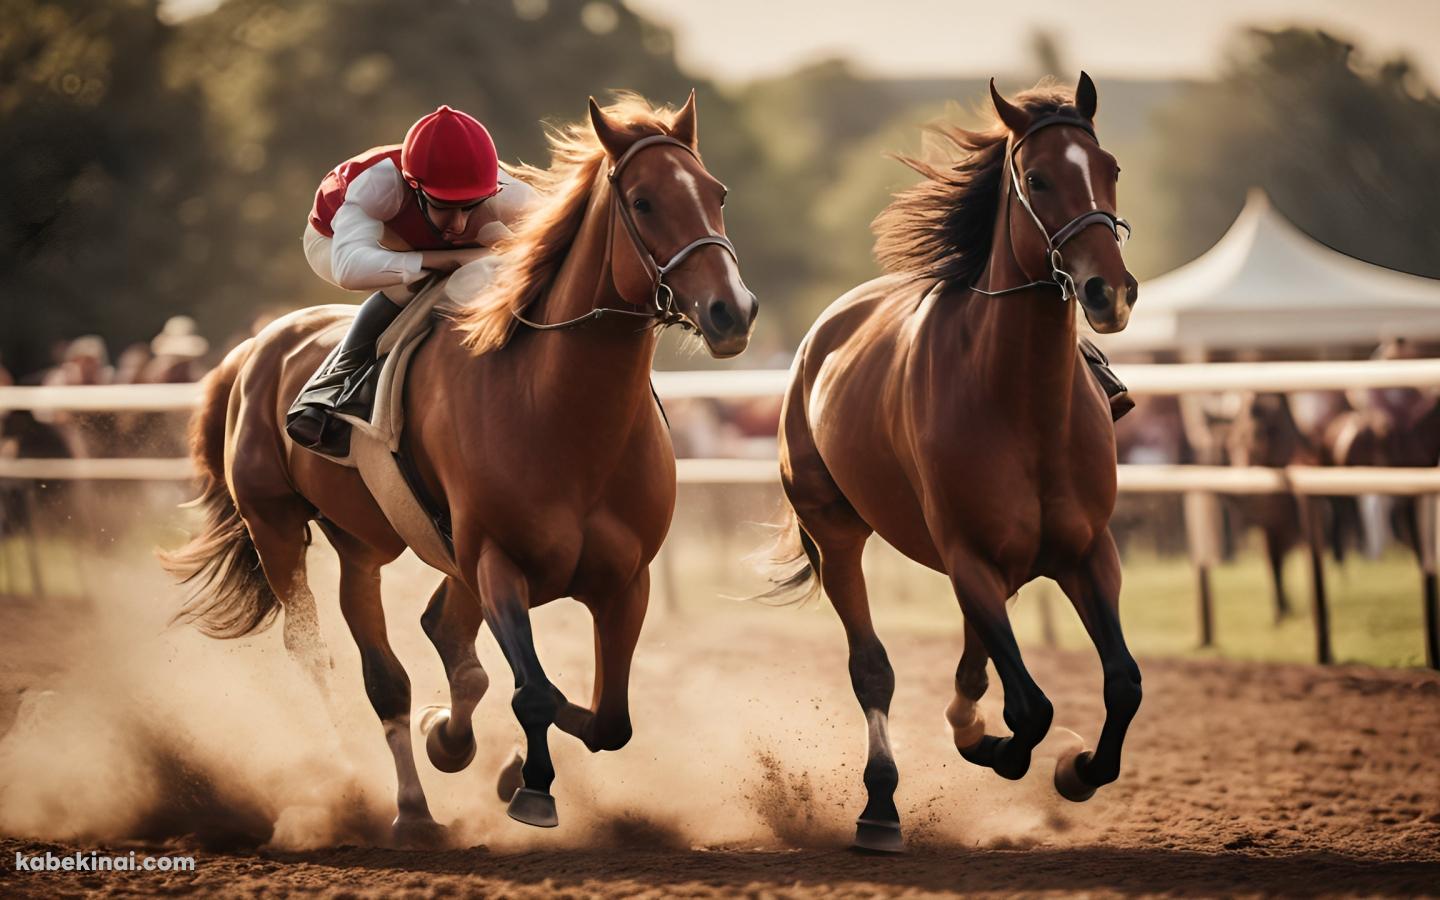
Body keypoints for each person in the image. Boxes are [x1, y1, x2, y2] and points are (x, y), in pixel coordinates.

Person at [287, 105, 538, 454]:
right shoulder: (377, 184)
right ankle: (327, 389)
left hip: (418, 233)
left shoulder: (508, 191)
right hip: (335, 242)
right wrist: (451, 258)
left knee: (495, 258)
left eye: (470, 206)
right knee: (408, 285)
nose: (459, 224)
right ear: (414, 186)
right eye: (444, 206)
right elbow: (350, 269)